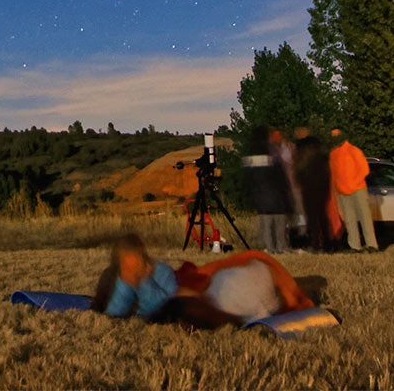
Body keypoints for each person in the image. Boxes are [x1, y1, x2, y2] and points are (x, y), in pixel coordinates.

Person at [90, 232, 315, 329]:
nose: (131, 269)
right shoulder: (126, 281)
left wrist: (144, 282)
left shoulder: (161, 273)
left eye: (134, 262)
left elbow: (166, 303)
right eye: (126, 265)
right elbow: (115, 312)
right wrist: (127, 284)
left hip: (216, 294)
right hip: (236, 291)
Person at [241, 125, 293, 253]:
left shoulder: (249, 156)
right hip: (276, 196)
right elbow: (281, 177)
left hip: (261, 197)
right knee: (279, 225)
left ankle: (270, 248)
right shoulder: (272, 154)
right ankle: (281, 247)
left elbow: (248, 179)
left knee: (266, 226)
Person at [328, 127, 379, 252]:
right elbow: (333, 174)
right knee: (349, 220)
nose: (334, 137)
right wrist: (337, 190)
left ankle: (371, 245)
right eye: (332, 135)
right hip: (342, 192)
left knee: (364, 217)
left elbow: (364, 170)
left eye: (336, 134)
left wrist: (353, 184)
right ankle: (355, 246)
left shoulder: (354, 150)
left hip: (358, 189)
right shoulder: (333, 154)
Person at [293, 125, 332, 252]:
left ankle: (316, 243)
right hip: (321, 184)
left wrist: (298, 180)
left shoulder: (301, 149)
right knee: (322, 214)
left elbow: (299, 167)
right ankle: (327, 242)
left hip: (308, 184)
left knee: (312, 216)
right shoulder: (320, 148)